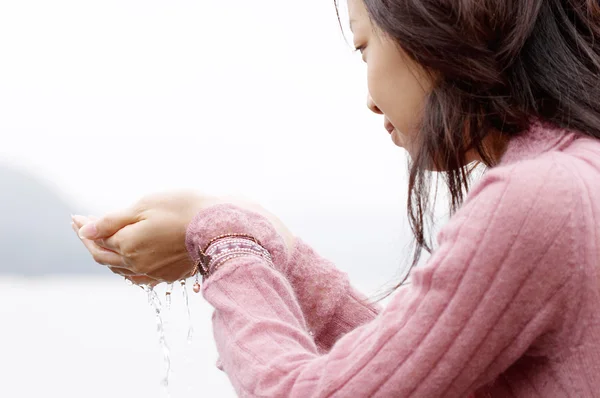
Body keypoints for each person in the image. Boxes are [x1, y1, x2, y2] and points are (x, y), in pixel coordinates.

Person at [71, 0, 600, 396]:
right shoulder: (578, 174)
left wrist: (227, 244)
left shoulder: (539, 200)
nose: (370, 100)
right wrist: (269, 242)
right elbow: (411, 366)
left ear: (437, 27)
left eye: (364, 46)